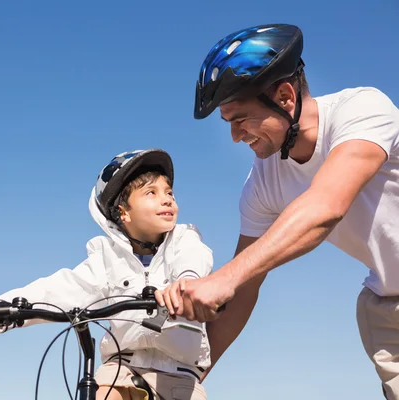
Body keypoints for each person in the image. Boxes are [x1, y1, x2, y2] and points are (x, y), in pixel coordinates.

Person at [156, 23, 399, 398]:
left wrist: (226, 278)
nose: (235, 136)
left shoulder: (362, 110)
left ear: (285, 96)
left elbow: (325, 206)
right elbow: (243, 291)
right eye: (228, 124)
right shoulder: (262, 184)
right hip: (387, 306)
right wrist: (185, 378)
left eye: (241, 119)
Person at [0, 149, 215, 400]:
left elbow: (193, 261)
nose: (167, 199)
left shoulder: (183, 240)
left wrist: (187, 285)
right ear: (123, 212)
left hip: (178, 375)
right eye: (151, 192)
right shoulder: (106, 258)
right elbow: (61, 289)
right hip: (122, 369)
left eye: (169, 192)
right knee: (102, 394)